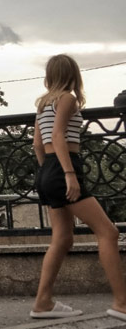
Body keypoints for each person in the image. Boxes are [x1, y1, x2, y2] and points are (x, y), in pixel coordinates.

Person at [29, 54, 126, 321]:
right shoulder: (67, 98)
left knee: (62, 238)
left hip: (47, 169)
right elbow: (58, 135)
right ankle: (121, 303)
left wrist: (49, 173)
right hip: (64, 167)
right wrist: (68, 174)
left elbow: (37, 144)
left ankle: (43, 303)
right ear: (73, 73)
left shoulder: (43, 103)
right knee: (108, 232)